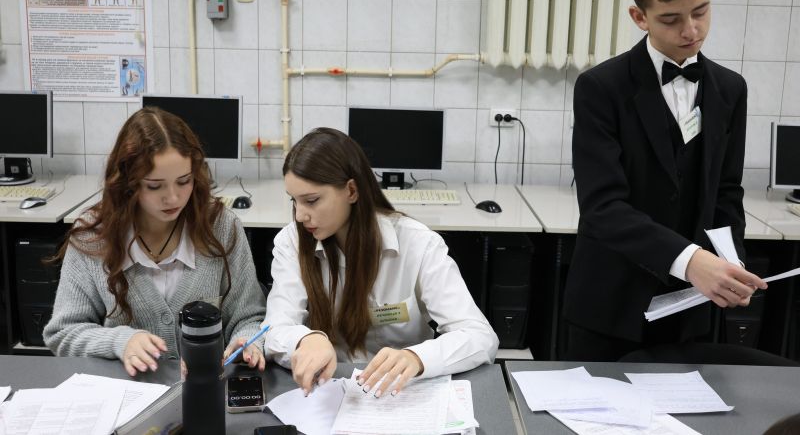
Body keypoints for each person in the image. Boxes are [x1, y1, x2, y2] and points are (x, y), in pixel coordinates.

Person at [562, 0, 768, 361]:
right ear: (640, 17)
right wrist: (691, 260)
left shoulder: (731, 89)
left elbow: (726, 192)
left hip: (691, 310)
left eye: (701, 12)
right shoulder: (600, 87)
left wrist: (731, 264)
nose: (691, 31)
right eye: (671, 19)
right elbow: (602, 208)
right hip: (611, 307)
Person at [264, 127, 498, 396]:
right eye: (294, 201)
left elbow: (480, 336)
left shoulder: (418, 243)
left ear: (351, 191)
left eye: (312, 200)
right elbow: (274, 329)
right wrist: (306, 340)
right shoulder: (292, 242)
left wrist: (417, 358)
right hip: (329, 392)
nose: (299, 216)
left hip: (401, 392)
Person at [43, 107, 266, 376]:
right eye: (154, 185)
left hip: (207, 389)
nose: (173, 198)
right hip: (126, 392)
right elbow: (63, 333)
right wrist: (119, 342)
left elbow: (249, 318)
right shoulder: (93, 236)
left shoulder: (221, 227)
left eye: (184, 181)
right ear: (127, 182)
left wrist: (247, 342)